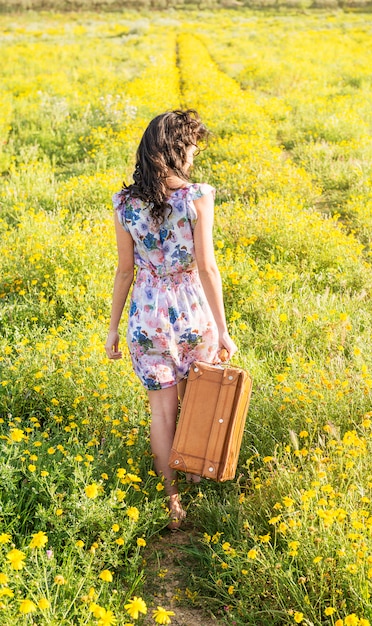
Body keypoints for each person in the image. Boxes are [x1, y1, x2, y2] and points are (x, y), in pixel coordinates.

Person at [105, 109, 237, 529]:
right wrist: (224, 329)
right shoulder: (197, 196)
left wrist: (112, 329)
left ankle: (172, 500)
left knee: (161, 413)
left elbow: (124, 270)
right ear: (178, 148)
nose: (196, 156)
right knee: (195, 398)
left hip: (147, 315)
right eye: (194, 147)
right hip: (192, 311)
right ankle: (197, 474)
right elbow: (207, 267)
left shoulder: (125, 203)